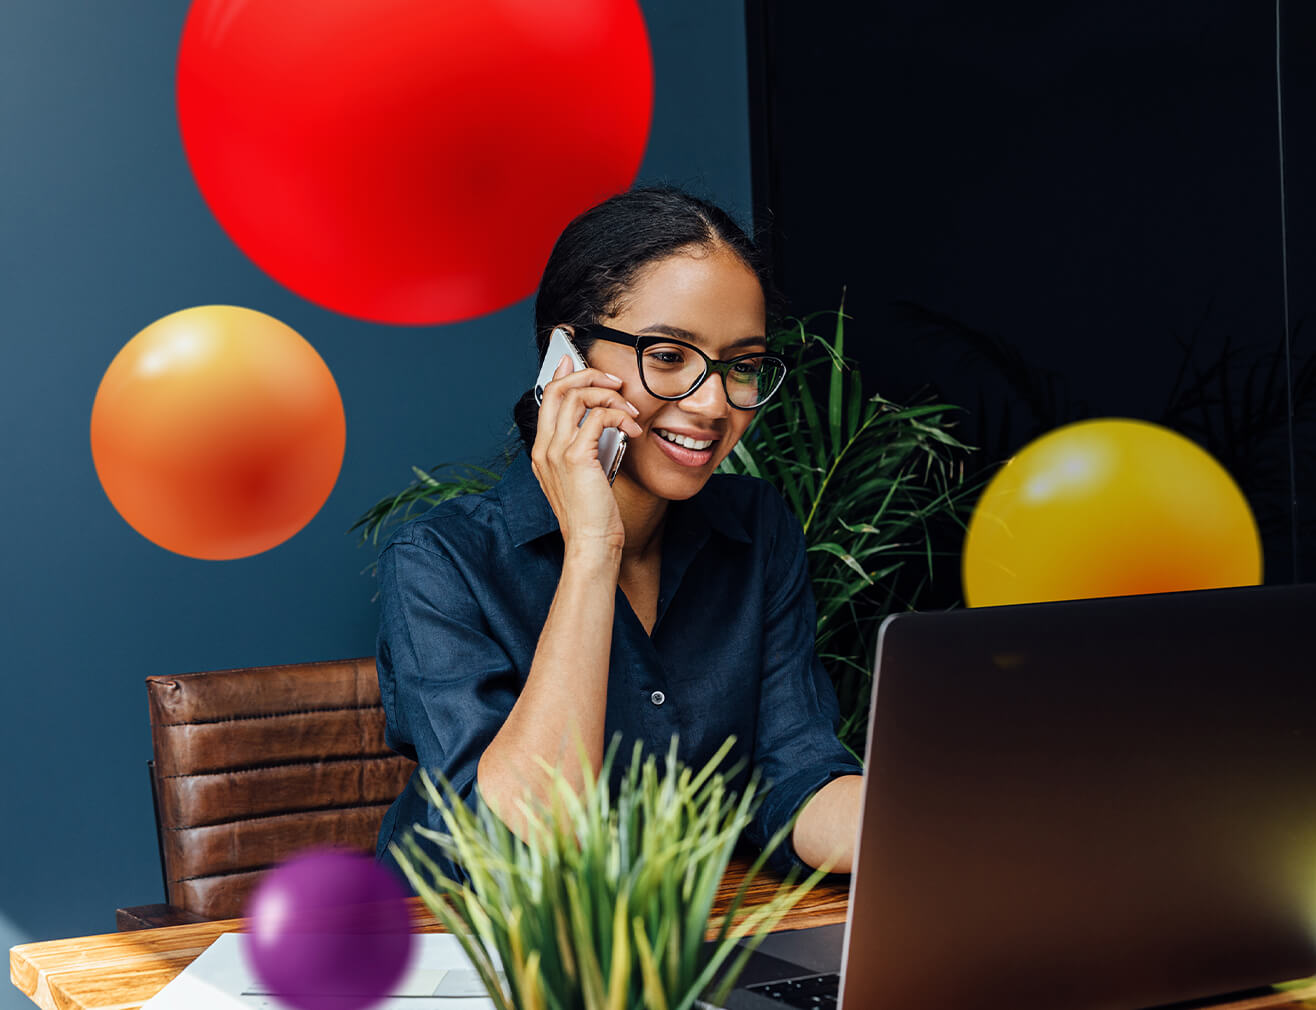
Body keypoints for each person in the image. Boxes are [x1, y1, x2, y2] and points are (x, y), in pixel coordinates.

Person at [374, 186, 863, 884]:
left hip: (683, 943)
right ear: (565, 360)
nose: (712, 403)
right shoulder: (441, 559)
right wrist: (592, 553)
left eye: (743, 365)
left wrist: (937, 822)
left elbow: (795, 779)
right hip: (470, 949)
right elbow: (517, 841)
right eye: (668, 355)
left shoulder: (758, 530)